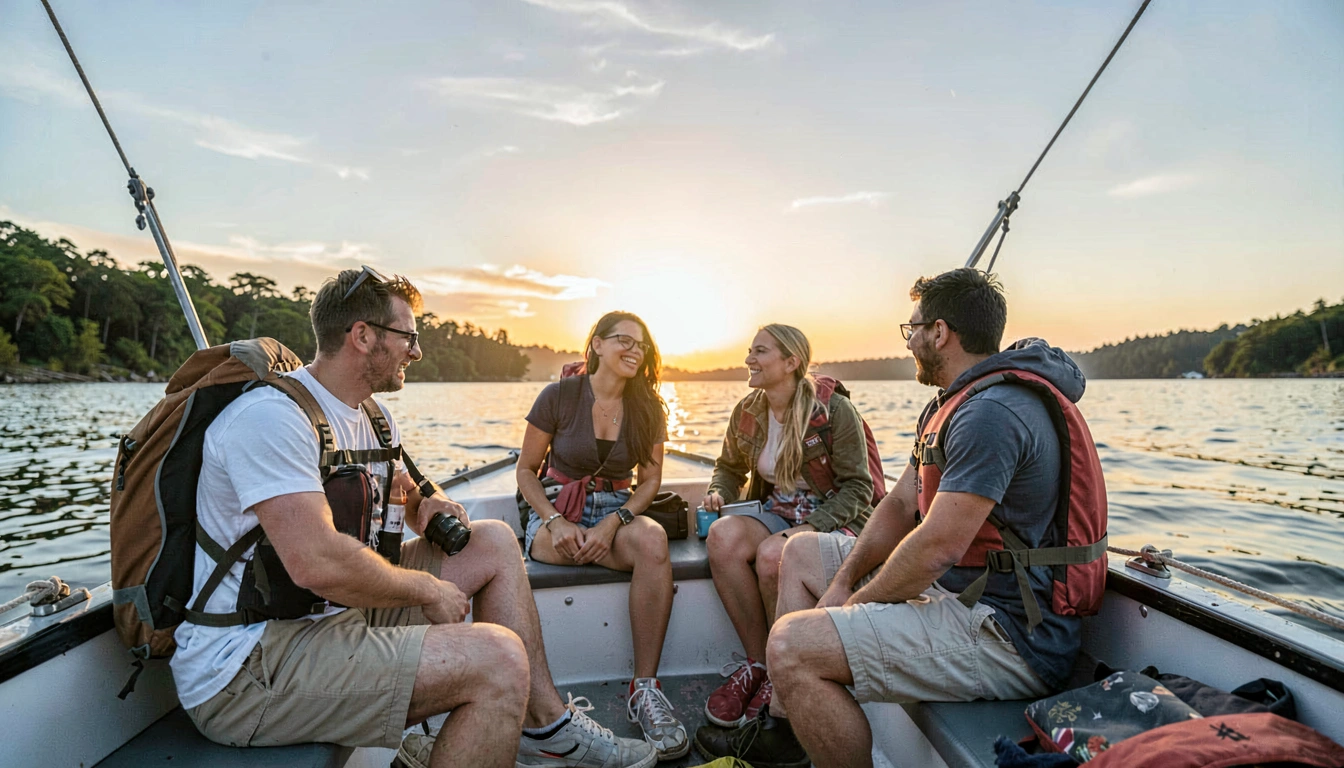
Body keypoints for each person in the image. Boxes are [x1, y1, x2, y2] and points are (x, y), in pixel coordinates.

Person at [173, 266, 655, 768]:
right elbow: (315, 562)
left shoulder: (371, 417)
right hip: (250, 664)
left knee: (491, 540)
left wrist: (431, 507)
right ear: (362, 336)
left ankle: (545, 725)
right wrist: (426, 590)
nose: (417, 351)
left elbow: (407, 493)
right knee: (499, 660)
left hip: (334, 614)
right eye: (408, 336)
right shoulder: (273, 419)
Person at [705, 268, 1099, 768]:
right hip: (958, 591)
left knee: (790, 646)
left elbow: (938, 546)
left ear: (940, 332)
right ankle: (785, 731)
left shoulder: (992, 413)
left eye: (911, 328)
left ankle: (794, 703)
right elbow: (895, 506)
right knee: (799, 551)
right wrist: (844, 581)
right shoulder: (950, 406)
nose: (909, 341)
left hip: (1009, 633)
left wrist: (851, 609)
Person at [518, 311, 688, 761]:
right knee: (566, 545)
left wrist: (614, 524)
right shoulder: (558, 396)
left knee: (653, 543)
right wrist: (554, 521)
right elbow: (525, 472)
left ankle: (645, 690)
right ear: (596, 345)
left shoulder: (648, 406)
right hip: (559, 509)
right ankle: (548, 703)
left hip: (618, 510)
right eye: (624, 341)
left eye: (641, 345)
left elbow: (650, 482)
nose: (635, 350)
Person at [697, 324, 874, 738]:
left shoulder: (833, 412)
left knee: (776, 554)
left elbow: (859, 488)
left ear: (791, 362)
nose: (749, 360)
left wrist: (810, 527)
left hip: (833, 519)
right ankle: (758, 663)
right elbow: (727, 468)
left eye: (759, 352)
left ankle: (782, 672)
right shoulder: (748, 410)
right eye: (749, 351)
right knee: (722, 537)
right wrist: (717, 493)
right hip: (778, 512)